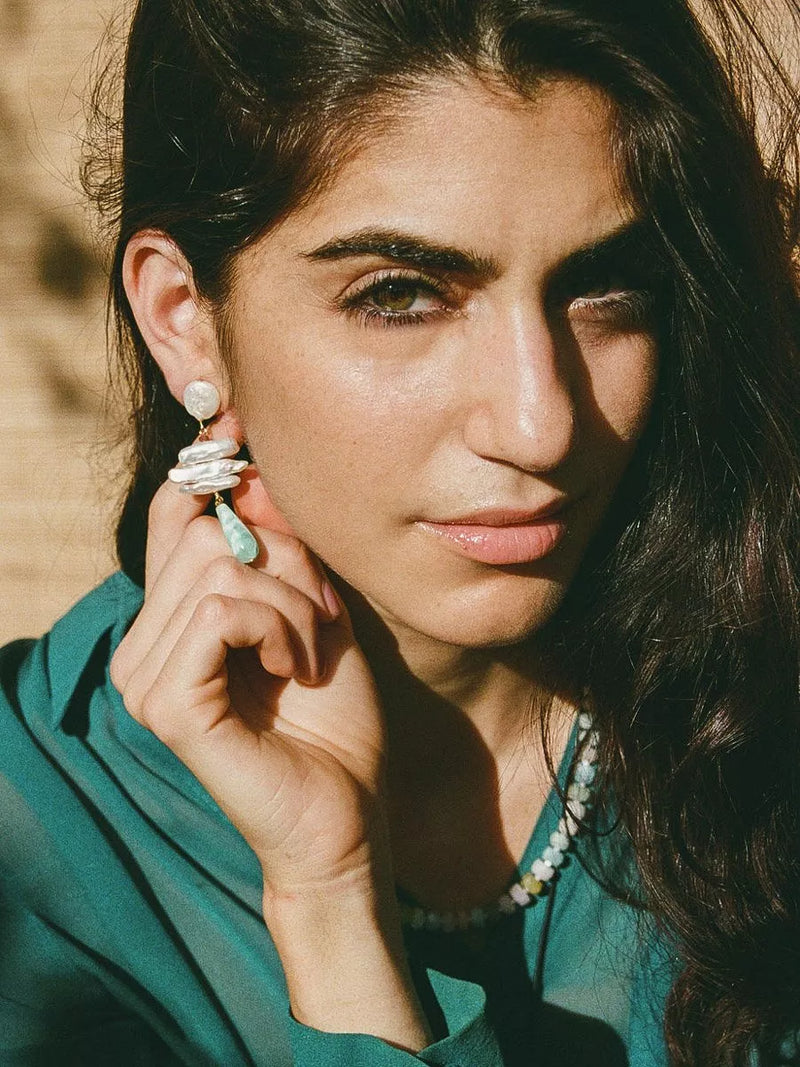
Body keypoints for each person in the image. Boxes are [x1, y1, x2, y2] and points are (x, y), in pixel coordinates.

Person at [1, 0, 799, 1064]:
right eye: (400, 296)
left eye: (605, 285)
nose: (538, 423)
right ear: (184, 316)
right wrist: (327, 896)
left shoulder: (757, 700)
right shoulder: (37, 847)